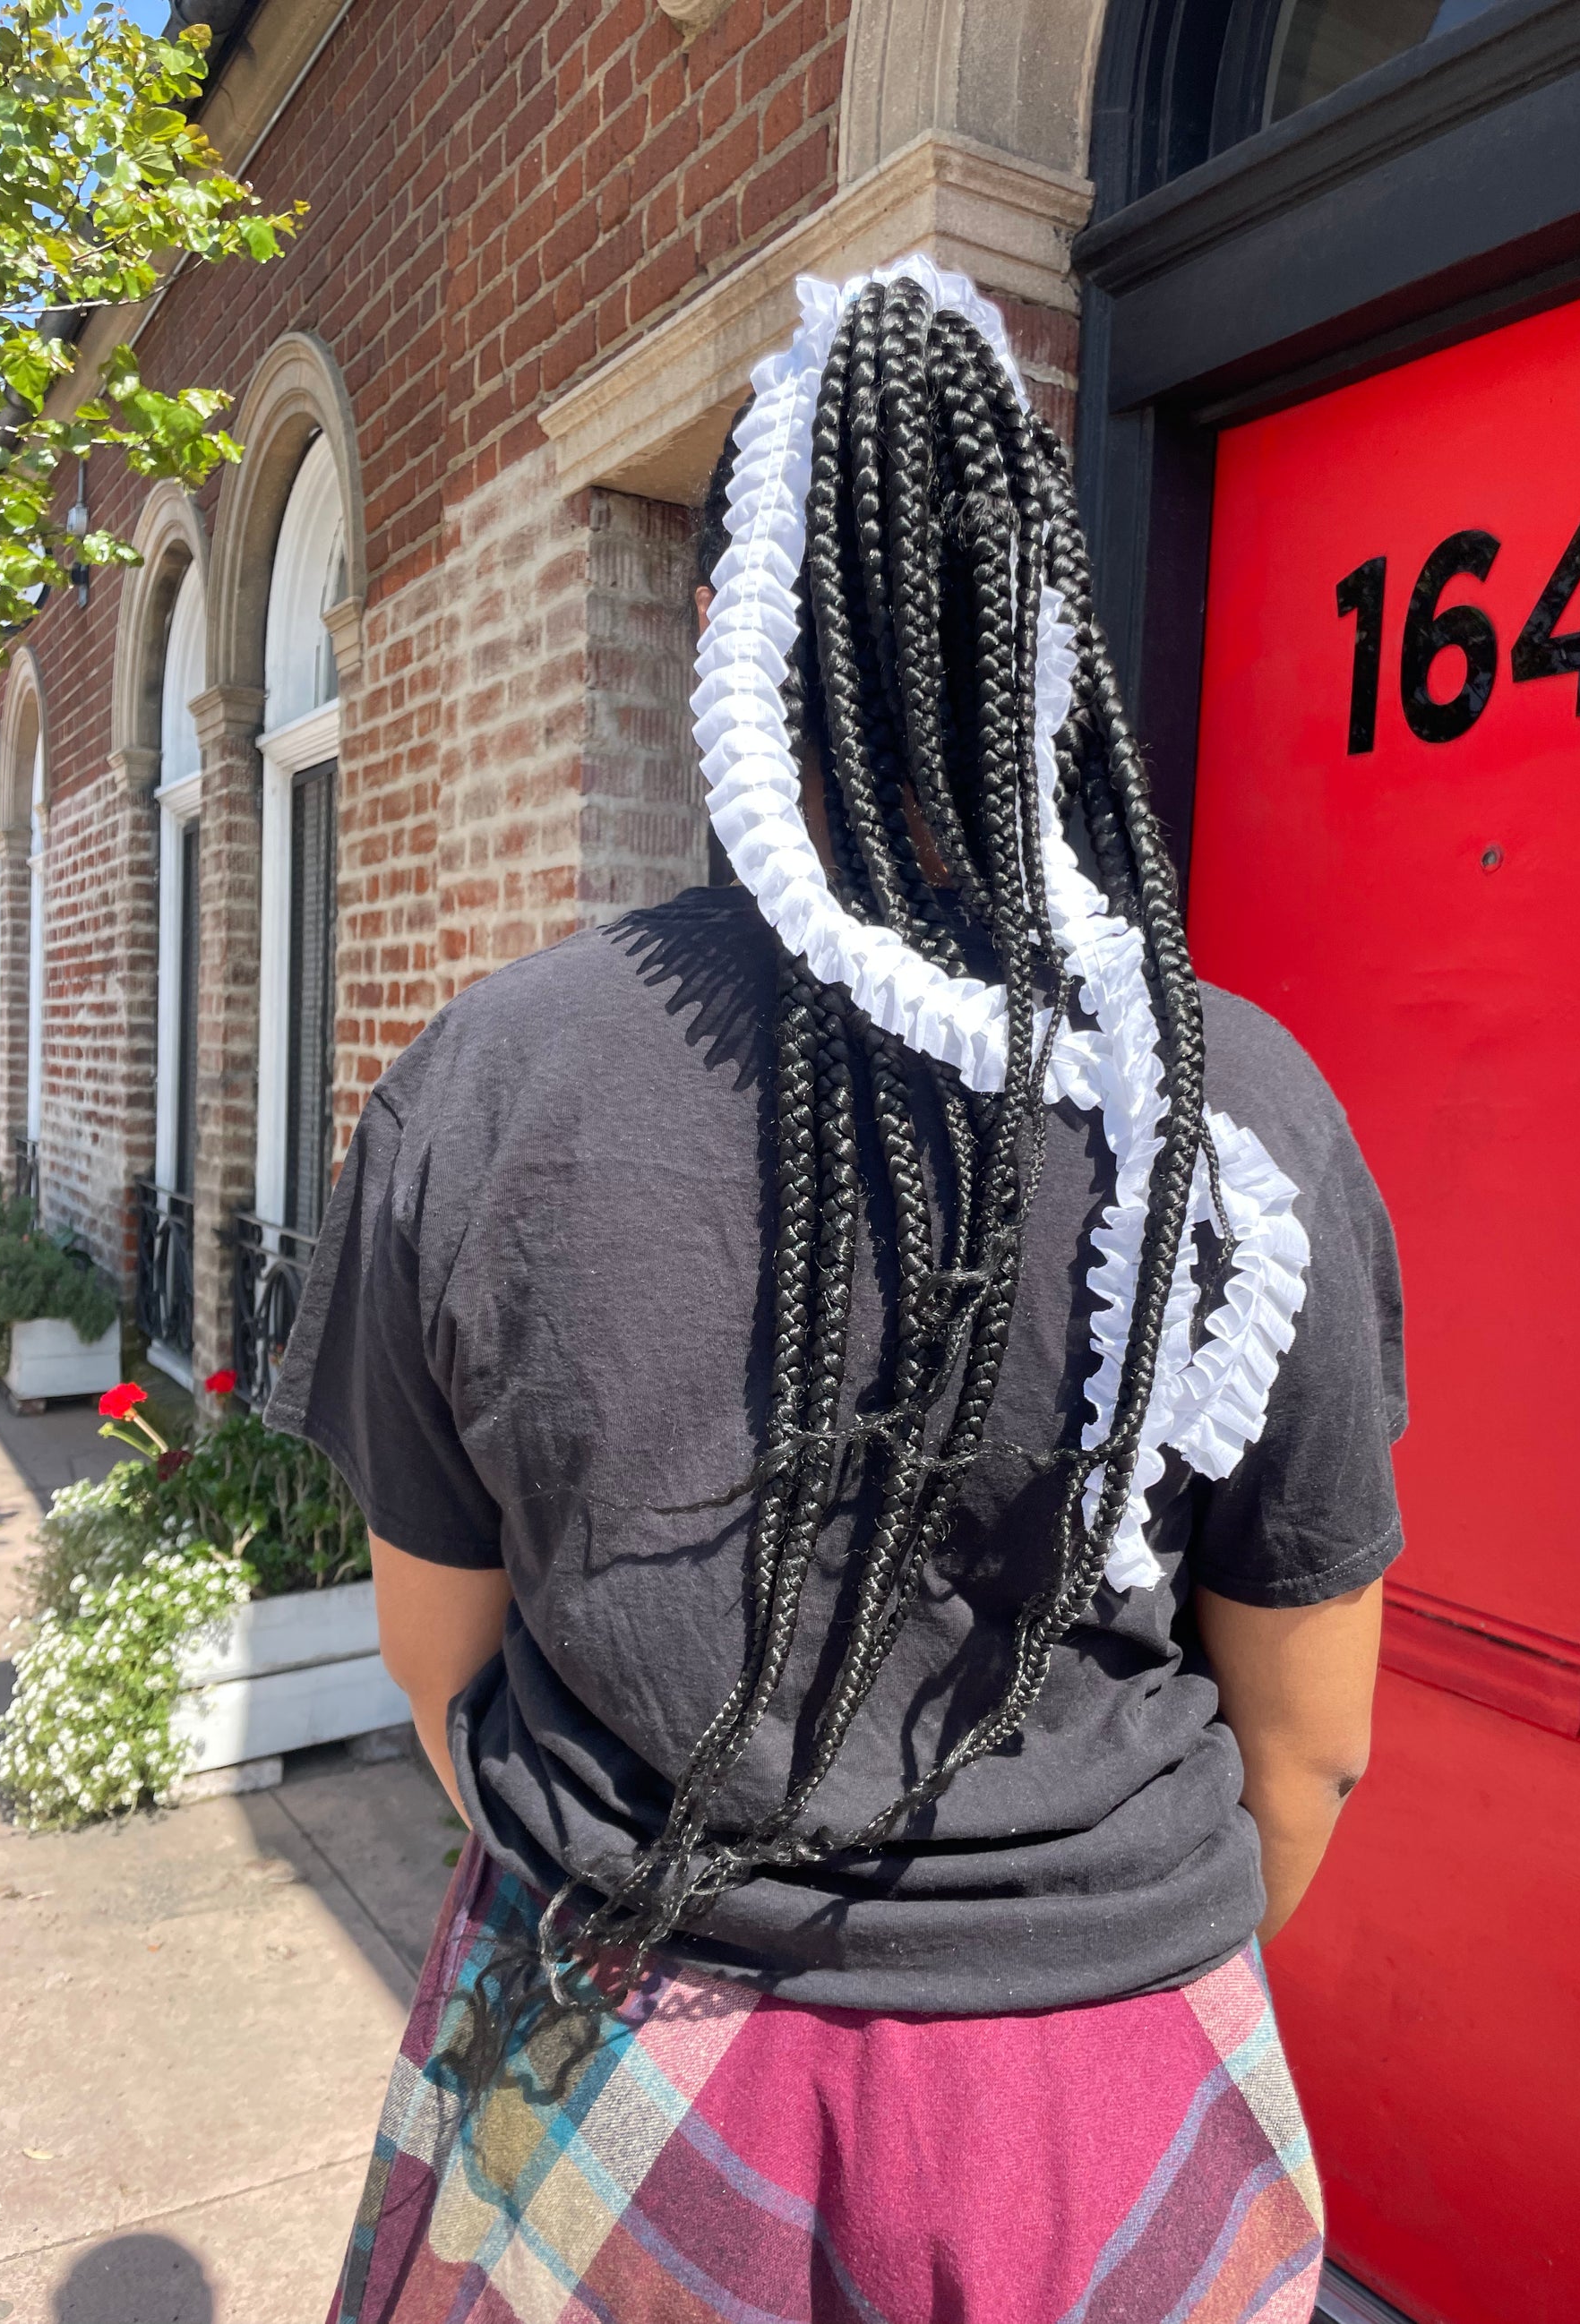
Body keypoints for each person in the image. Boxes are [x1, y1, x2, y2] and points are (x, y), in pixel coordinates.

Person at [269, 259, 1405, 2324]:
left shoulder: (485, 1080)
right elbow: (1306, 1747)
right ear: (1040, 644)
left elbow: (443, 1673)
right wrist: (1084, 1986)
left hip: (602, 2034)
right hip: (1093, 2085)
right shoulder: (1234, 1106)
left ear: (720, 638)